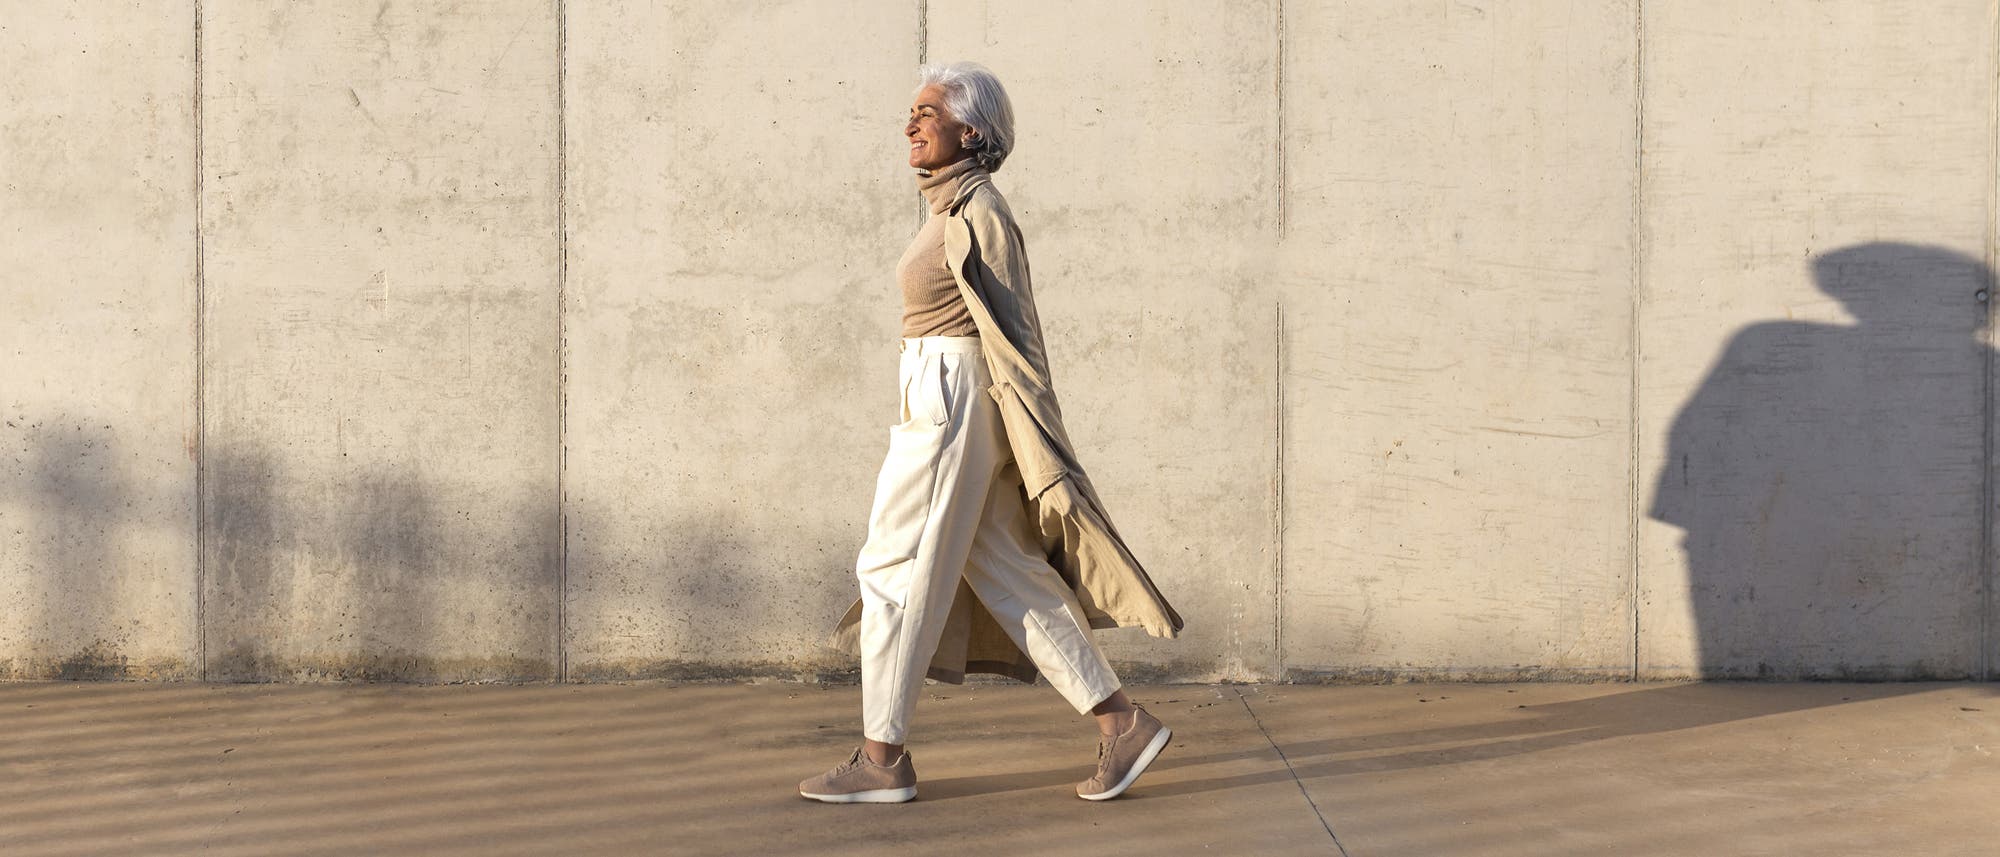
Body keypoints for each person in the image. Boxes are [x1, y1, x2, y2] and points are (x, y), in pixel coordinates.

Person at [800, 62, 1185, 804]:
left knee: (893, 569)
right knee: (1005, 567)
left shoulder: (981, 212)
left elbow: (1017, 337)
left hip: (951, 401)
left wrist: (1038, 439)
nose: (910, 124)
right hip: (940, 396)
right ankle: (1121, 722)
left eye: (927, 112)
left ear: (970, 131)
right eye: (909, 112)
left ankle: (882, 758)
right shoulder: (949, 209)